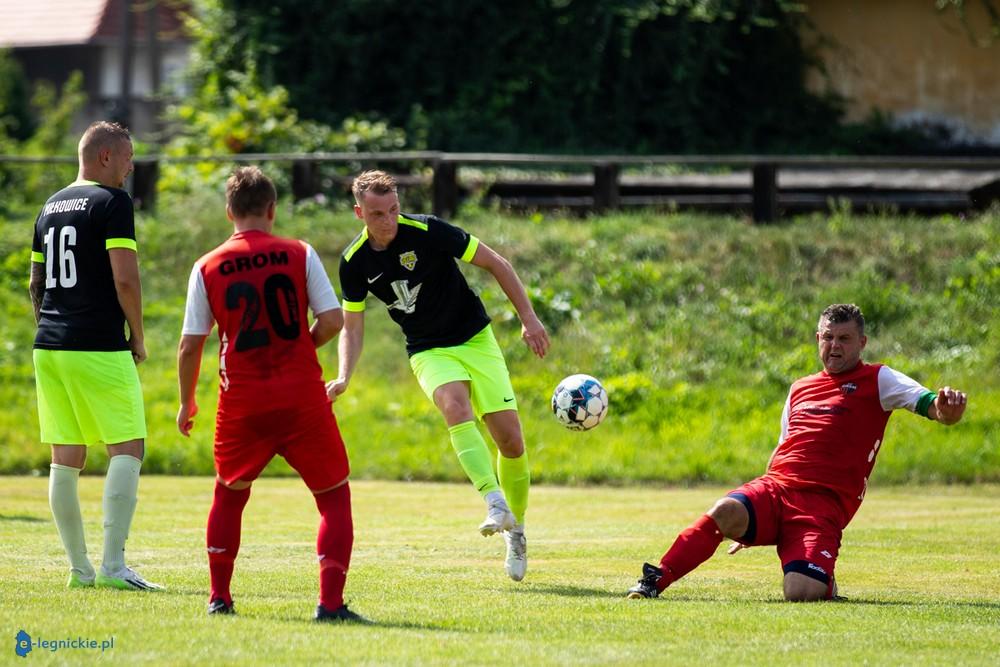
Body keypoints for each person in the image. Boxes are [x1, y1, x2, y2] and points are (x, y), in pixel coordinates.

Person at [627, 303, 968, 601]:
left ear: (861, 343)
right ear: (818, 339)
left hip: (822, 506)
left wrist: (945, 411)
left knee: (800, 593)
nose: (834, 346)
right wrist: (755, 520)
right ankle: (655, 581)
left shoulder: (879, 379)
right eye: (827, 337)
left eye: (844, 339)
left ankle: (824, 580)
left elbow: (927, 403)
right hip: (776, 490)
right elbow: (782, 450)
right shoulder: (800, 388)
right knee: (726, 509)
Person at [330, 170, 549, 582]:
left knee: (511, 440)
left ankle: (516, 530)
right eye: (377, 213)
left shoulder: (429, 230)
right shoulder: (354, 262)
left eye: (393, 209)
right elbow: (352, 326)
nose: (388, 220)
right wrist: (344, 375)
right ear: (359, 212)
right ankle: (494, 502)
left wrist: (529, 319)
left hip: (475, 339)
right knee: (453, 404)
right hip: (427, 349)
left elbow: (496, 263)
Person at [176, 166, 364, 622]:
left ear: (229, 212)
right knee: (333, 498)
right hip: (302, 397)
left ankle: (219, 597)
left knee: (229, 495)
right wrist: (305, 342)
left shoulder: (208, 265)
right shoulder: (300, 252)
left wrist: (187, 402)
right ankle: (330, 603)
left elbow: (190, 344)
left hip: (243, 403)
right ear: (272, 210)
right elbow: (334, 320)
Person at [29, 121, 162, 591]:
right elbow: (125, 278)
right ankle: (113, 567)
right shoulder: (112, 202)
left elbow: (36, 284)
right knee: (128, 446)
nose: (130, 168)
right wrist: (138, 336)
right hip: (97, 343)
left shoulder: (50, 205)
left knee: (65, 456)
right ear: (105, 156)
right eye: (127, 158)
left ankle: (78, 570)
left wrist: (51, 326)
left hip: (49, 344)